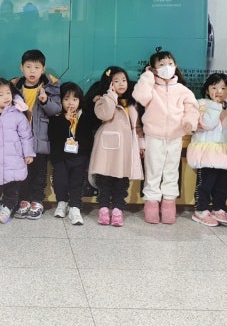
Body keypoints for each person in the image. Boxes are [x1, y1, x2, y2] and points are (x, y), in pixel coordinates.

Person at [132, 50, 199, 224]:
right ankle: (151, 203)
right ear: (153, 69)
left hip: (175, 137)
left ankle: (169, 203)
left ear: (175, 66)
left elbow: (192, 109)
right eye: (161, 65)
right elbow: (140, 97)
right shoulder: (150, 88)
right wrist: (148, 76)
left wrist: (189, 122)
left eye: (170, 63)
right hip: (153, 136)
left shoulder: (183, 90)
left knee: (171, 172)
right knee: (153, 171)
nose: (167, 67)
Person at [88, 67, 144, 227]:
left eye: (124, 80)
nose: (121, 84)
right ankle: (104, 209)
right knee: (104, 180)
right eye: (116, 81)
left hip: (125, 148)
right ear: (109, 84)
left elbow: (137, 126)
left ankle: (118, 210)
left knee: (122, 180)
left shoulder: (132, 103)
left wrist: (141, 144)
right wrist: (111, 95)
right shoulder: (102, 100)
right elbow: (105, 115)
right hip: (106, 148)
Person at [11, 49, 61, 219]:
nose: (32, 71)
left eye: (37, 67)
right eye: (28, 67)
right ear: (21, 67)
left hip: (40, 139)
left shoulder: (50, 87)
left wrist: (45, 100)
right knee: (22, 172)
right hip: (20, 141)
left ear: (43, 69)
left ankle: (37, 200)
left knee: (39, 173)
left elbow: (56, 110)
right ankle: (24, 200)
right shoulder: (14, 87)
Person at [187, 72, 227, 227]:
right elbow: (207, 124)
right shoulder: (201, 104)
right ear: (207, 89)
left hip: (225, 151)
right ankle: (201, 210)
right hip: (207, 151)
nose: (218, 91)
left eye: (223, 88)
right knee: (206, 183)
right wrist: (216, 107)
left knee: (224, 183)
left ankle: (219, 208)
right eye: (214, 87)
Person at [0, 78, 35, 224]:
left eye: (8, 93)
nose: (6, 97)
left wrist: (28, 153)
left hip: (14, 160)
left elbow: (26, 136)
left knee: (12, 189)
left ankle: (8, 209)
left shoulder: (18, 115)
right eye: (1, 94)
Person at [48, 82, 96, 225]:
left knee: (77, 182)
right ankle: (62, 202)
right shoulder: (56, 116)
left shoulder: (85, 116)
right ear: (60, 100)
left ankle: (75, 207)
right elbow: (53, 135)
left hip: (79, 156)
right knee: (60, 180)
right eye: (66, 99)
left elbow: (89, 136)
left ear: (80, 101)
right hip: (61, 157)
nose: (71, 103)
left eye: (75, 99)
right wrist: (65, 121)